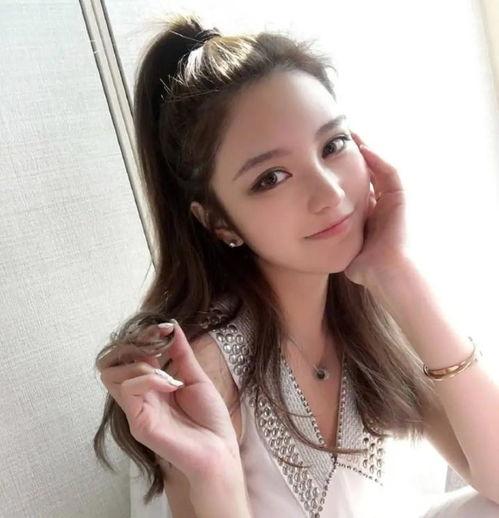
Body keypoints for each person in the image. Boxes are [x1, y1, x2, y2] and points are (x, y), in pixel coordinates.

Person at [94, 12, 499, 518]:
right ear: (218, 220)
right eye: (271, 177)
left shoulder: (373, 316)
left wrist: (396, 272)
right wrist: (214, 475)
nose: (329, 194)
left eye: (333, 145)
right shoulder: (206, 367)